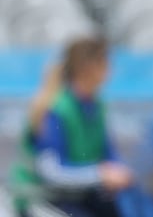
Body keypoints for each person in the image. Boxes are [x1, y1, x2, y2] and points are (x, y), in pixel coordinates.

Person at [7, 37, 142, 217]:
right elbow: (51, 172)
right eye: (105, 61)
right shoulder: (55, 109)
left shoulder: (96, 105)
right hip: (43, 196)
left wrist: (119, 171)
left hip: (79, 194)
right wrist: (99, 175)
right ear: (89, 67)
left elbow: (108, 153)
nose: (111, 68)